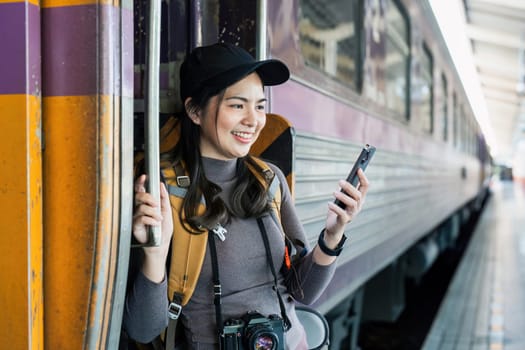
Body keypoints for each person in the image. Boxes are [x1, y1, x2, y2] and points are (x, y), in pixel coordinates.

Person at [123, 42, 369, 350]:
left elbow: (300, 292)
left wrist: (333, 235)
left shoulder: (268, 180)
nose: (254, 120)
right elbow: (143, 330)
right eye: (237, 105)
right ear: (195, 111)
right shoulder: (164, 189)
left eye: (260, 106)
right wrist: (154, 255)